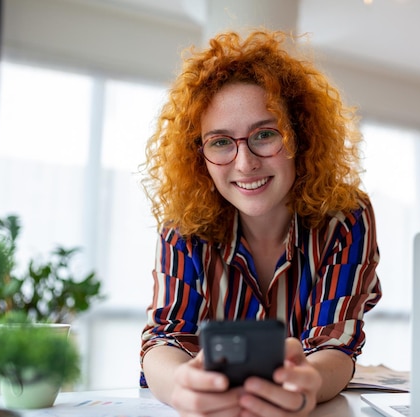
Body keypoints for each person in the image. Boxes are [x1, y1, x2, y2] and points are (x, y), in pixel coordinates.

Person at [140, 29, 382, 417]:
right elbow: (164, 339)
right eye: (220, 142)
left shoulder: (346, 217)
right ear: (198, 154)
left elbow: (336, 345)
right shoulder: (183, 227)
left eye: (265, 134)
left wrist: (309, 383)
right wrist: (184, 387)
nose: (245, 163)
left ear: (300, 136)